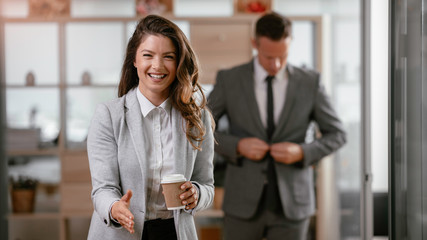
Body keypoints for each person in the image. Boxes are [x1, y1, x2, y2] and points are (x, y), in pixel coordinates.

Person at [208, 12, 346, 240]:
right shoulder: (229, 80)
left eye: (283, 56)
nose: (276, 64)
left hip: (293, 206)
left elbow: (337, 134)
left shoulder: (310, 82)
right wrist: (238, 146)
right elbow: (199, 129)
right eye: (268, 57)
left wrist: (303, 152)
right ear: (254, 44)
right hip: (241, 204)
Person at [87, 15, 215, 240]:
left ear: (178, 63)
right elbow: (102, 189)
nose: (157, 66)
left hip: (174, 233)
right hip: (122, 232)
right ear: (134, 60)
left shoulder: (196, 117)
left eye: (169, 57)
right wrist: (114, 207)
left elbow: (207, 185)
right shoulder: (108, 115)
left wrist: (197, 194)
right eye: (148, 55)